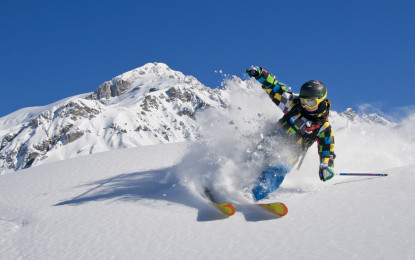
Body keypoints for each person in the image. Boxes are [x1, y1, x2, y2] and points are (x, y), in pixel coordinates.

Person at [246, 66, 336, 201]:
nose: (306, 106)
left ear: (321, 100)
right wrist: (260, 74)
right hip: (275, 138)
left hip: (292, 152)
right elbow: (274, 88)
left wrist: (326, 166)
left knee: (277, 171)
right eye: (304, 101)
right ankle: (235, 185)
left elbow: (327, 150)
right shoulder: (294, 104)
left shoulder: (323, 127)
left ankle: (252, 195)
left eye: (310, 102)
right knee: (256, 159)